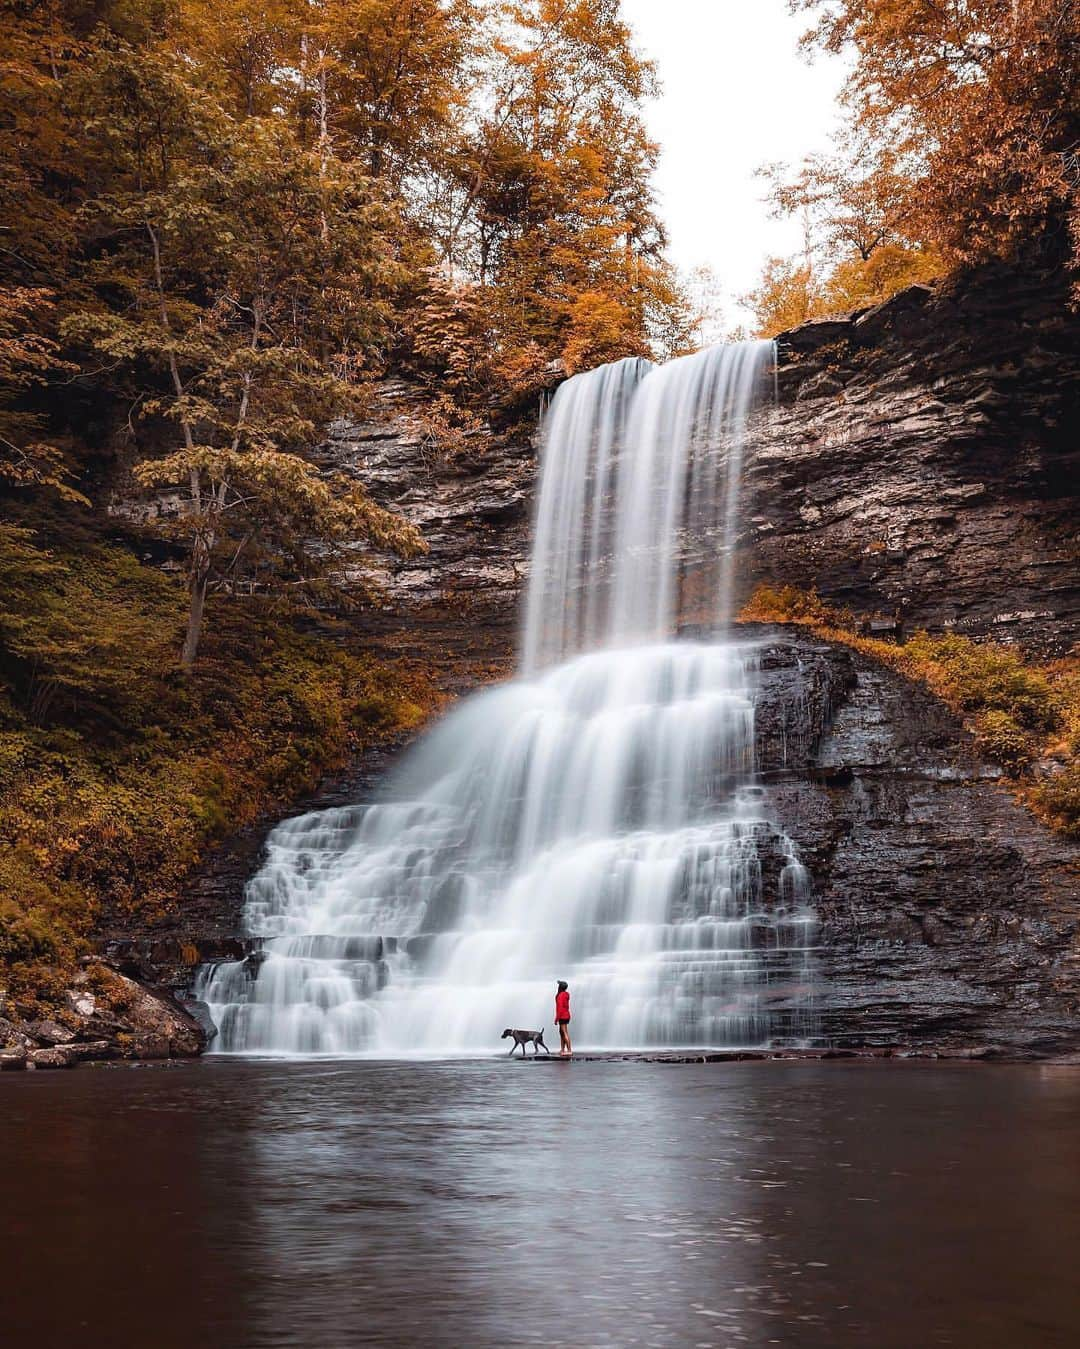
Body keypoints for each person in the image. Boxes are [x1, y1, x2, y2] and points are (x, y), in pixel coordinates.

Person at [555, 980, 572, 1056]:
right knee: (561, 1033)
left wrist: (556, 1019)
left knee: (564, 1032)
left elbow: (560, 1008)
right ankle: (562, 1049)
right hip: (566, 1015)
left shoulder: (560, 996)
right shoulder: (566, 994)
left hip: (562, 1015)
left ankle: (569, 1050)